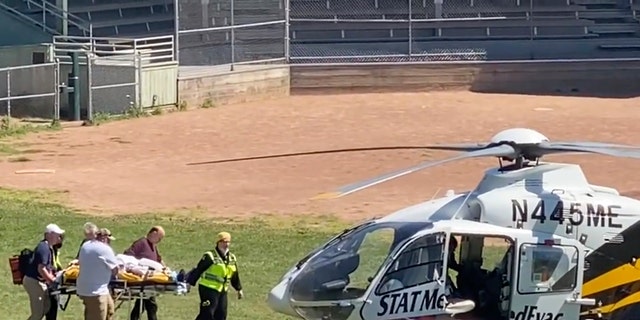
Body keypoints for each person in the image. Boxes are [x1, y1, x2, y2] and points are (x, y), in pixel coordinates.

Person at [187, 231, 244, 320]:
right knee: (207, 314)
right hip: (208, 288)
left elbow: (234, 275)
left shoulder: (232, 258)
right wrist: (189, 283)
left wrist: (238, 288)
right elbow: (198, 269)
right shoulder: (210, 256)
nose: (226, 244)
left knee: (221, 314)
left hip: (222, 290)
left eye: (228, 242)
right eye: (224, 242)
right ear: (218, 242)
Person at [23, 223, 65, 320]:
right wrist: (52, 281)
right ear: (49, 235)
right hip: (33, 281)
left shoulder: (49, 248)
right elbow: (41, 269)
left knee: (46, 307)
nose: (59, 237)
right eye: (57, 234)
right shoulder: (44, 248)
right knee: (37, 313)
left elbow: (47, 268)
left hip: (38, 281)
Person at [77, 227, 120, 320]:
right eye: (109, 240)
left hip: (87, 288)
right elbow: (115, 269)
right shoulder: (104, 249)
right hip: (96, 292)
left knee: (110, 310)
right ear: (104, 238)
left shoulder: (86, 245)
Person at [123, 226, 165, 320]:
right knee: (151, 306)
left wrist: (165, 269)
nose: (160, 240)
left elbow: (159, 259)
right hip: (143, 280)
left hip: (150, 279)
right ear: (154, 233)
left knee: (141, 306)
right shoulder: (141, 243)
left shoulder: (153, 246)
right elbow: (127, 255)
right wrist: (136, 267)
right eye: (159, 238)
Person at [45, 234, 65, 320]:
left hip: (52, 279)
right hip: (49, 281)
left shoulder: (54, 250)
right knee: (51, 307)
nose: (60, 240)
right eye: (59, 238)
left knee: (53, 306)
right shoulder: (49, 249)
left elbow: (56, 265)